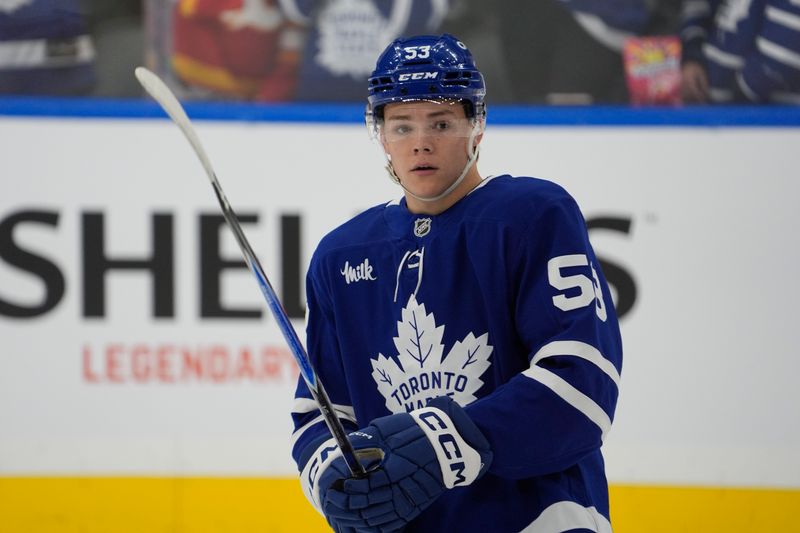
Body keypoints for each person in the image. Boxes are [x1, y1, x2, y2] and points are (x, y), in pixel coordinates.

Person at [290, 34, 623, 532]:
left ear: (477, 126)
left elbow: (583, 385)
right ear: (380, 135)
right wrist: (334, 484)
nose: (420, 142)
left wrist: (444, 442)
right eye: (401, 125)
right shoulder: (341, 257)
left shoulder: (532, 216)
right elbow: (321, 414)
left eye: (441, 123)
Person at [680, 0, 800, 104]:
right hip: (715, 113)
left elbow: (778, 63)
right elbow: (700, 8)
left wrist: (730, 105)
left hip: (771, 121)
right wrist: (693, 55)